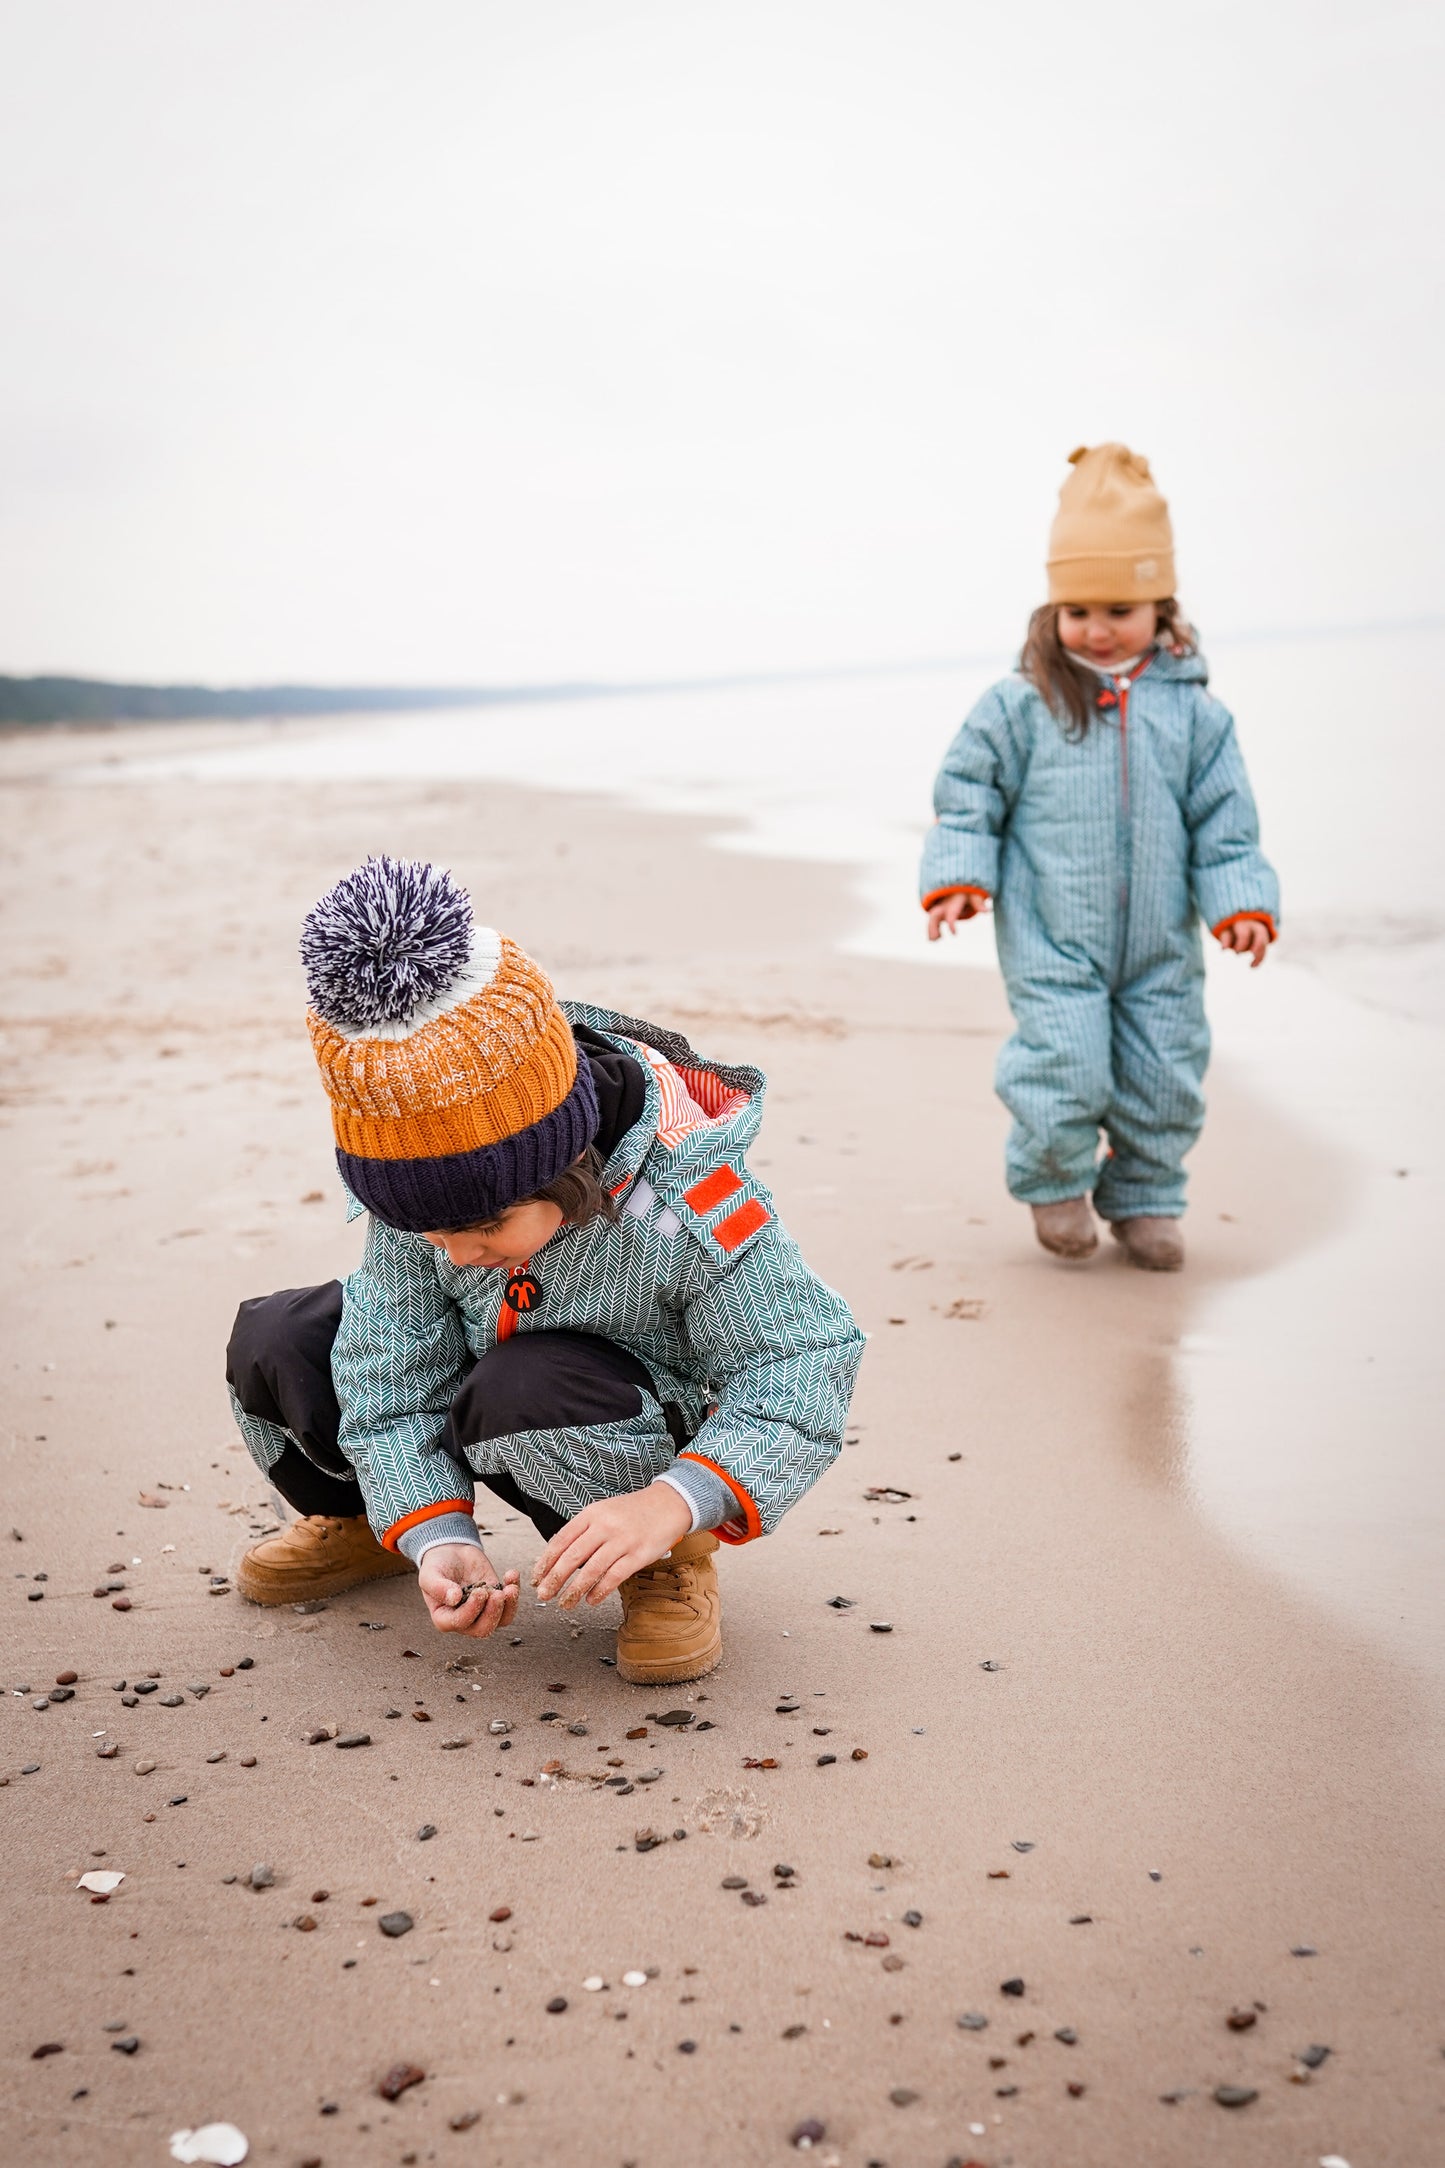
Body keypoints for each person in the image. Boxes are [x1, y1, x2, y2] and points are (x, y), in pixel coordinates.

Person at [225, 855, 863, 1682]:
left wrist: (671, 1504)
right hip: (478, 1376)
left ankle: (663, 1562)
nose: (452, 1253)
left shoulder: (690, 1203)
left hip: (627, 1419)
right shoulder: (424, 1217)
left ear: (566, 1170)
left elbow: (804, 1358)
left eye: (482, 1226)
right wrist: (437, 1533)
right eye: (424, 1231)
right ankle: (367, 1523)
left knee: (523, 1385)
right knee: (283, 1335)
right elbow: (387, 1371)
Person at [920, 443, 1278, 1271]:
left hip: (1159, 943)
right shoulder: (1022, 702)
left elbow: (1225, 822)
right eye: (1077, 610)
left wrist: (1239, 902)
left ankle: (1147, 1200)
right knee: (1065, 1065)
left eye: (1119, 608)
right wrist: (956, 878)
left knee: (1166, 1075)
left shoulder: (1197, 716)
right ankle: (1055, 1184)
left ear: (1160, 604)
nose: (1097, 628)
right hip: (1053, 936)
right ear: (1052, 611)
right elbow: (967, 793)